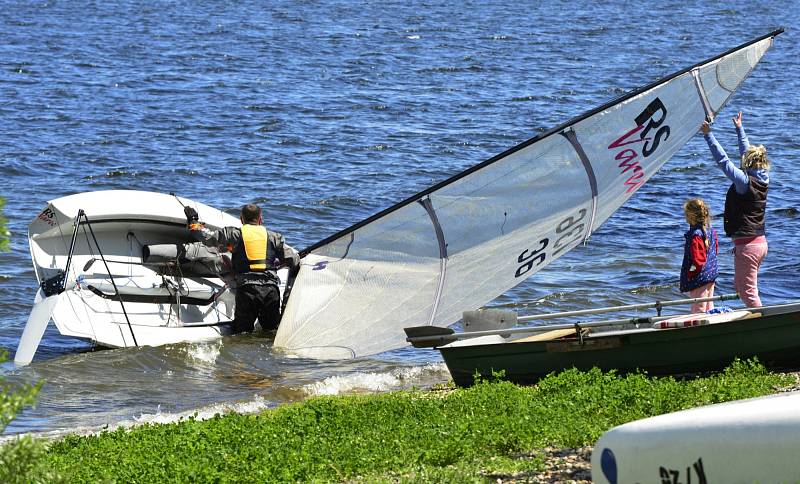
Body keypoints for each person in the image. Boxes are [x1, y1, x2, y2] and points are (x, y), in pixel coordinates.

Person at [184, 203, 300, 334]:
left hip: (247, 291)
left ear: (241, 219)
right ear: (260, 219)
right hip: (270, 292)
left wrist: (193, 221)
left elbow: (206, 237)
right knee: (271, 333)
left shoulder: (234, 234)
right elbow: (293, 260)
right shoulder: (274, 237)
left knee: (242, 334)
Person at [700, 111, 769, 307]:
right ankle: (753, 318)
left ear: (748, 163)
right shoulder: (762, 177)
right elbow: (744, 155)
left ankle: (760, 325)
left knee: (747, 292)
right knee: (739, 286)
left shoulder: (744, 182)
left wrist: (708, 134)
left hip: (748, 246)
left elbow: (724, 162)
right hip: (758, 243)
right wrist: (739, 130)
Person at [679, 198, 719, 313]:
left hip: (699, 278)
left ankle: (698, 328)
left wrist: (691, 273)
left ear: (691, 216)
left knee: (698, 308)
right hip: (711, 274)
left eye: (686, 214)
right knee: (709, 306)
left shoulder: (696, 235)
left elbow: (698, 260)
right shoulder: (711, 231)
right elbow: (715, 250)